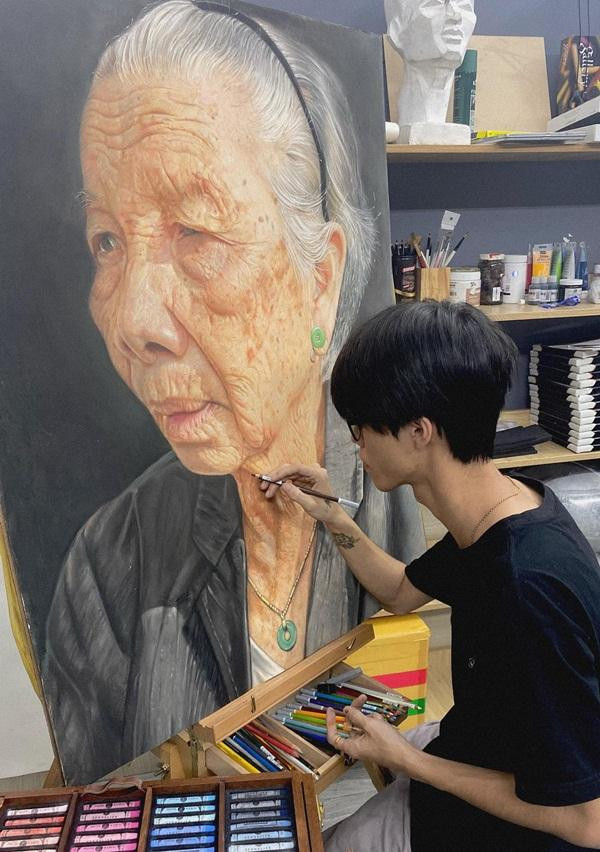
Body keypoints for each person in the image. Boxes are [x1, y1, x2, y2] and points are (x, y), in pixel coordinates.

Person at [42, 0, 424, 784]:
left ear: (322, 280)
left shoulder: (410, 503)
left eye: (194, 230)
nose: (132, 321)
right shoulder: (110, 568)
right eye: (107, 240)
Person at [262, 300, 600, 851]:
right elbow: (400, 592)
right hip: (481, 744)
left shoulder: (526, 585)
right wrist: (331, 515)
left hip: (520, 823)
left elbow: (587, 820)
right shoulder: (501, 509)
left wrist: (407, 760)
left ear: (419, 431)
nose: (356, 445)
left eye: (361, 428)